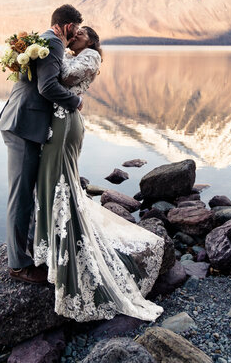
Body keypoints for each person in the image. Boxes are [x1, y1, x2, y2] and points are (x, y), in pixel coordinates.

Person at [33, 26, 165, 322]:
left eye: (80, 33)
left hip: (66, 123)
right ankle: (54, 245)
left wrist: (49, 55)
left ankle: (71, 247)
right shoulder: (71, 52)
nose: (75, 35)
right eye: (74, 32)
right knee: (54, 183)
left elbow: (64, 77)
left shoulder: (91, 56)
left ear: (90, 40)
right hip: (57, 121)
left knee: (62, 183)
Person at [0, 4, 83, 284]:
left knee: (25, 195)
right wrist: (76, 101)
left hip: (23, 123)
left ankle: (26, 252)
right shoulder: (53, 43)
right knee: (20, 198)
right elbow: (47, 87)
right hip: (22, 126)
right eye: (77, 29)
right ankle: (18, 266)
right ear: (68, 26)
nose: (77, 34)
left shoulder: (44, 39)